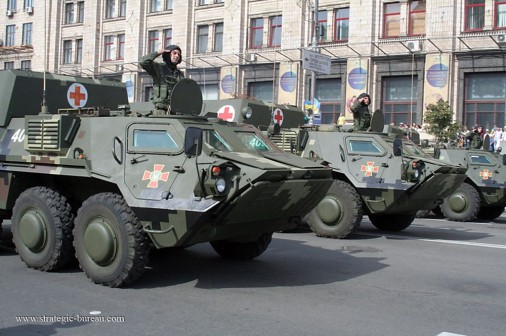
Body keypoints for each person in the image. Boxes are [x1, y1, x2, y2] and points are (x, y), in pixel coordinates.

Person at [140, 45, 185, 115]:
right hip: (161, 111)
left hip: (176, 111)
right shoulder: (158, 68)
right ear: (168, 54)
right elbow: (143, 62)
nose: (177, 56)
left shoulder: (180, 74)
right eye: (174, 53)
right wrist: (158, 52)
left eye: (178, 54)